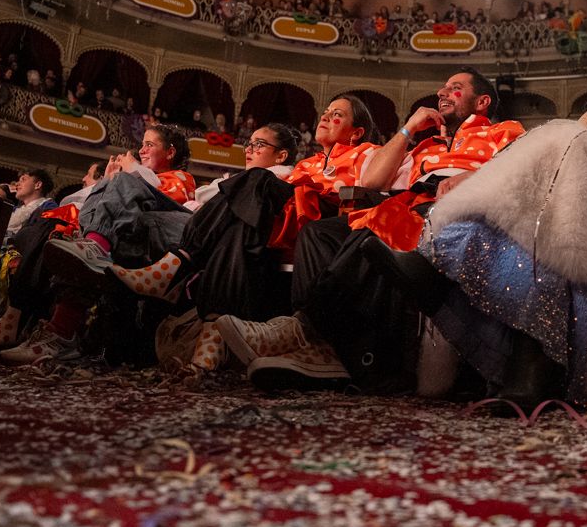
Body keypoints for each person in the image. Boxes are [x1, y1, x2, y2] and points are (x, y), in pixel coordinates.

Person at [368, 8, 587, 406]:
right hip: (579, 208)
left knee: (563, 140)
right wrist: (481, 176)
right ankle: (512, 350)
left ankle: (445, 278)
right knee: (525, 216)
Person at [219, 69, 524, 390]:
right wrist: (409, 127)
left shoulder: (502, 131)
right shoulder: (426, 145)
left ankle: (306, 332)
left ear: (482, 101)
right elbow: (372, 181)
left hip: (461, 206)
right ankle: (326, 349)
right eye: (443, 87)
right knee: (319, 233)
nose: (441, 92)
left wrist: (475, 177)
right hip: (408, 204)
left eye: (455, 87)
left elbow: (526, 166)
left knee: (381, 221)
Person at [107, 99, 380, 372]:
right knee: (235, 233)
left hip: (317, 220)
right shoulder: (309, 162)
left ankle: (176, 265)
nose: (325, 117)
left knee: (255, 181)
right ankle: (211, 341)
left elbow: (372, 185)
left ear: (356, 132)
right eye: (326, 112)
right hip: (280, 218)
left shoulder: (366, 153)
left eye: (336, 114)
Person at [0, 128, 195, 364]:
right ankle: (57, 328)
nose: (141, 150)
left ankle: (60, 329)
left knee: (119, 186)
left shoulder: (182, 178)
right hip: (128, 231)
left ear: (170, 152)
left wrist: (129, 173)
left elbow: (155, 203)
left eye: (150, 145)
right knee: (84, 234)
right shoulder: (135, 177)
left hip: (163, 230)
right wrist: (108, 182)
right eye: (142, 144)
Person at [0, 162, 103, 350]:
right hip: (31, 243)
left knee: (44, 232)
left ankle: (15, 323)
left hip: (72, 243)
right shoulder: (18, 209)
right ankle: (9, 322)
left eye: (24, 179)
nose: (83, 178)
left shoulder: (49, 205)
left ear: (38, 185)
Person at [4, 168, 56, 239]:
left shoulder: (48, 209)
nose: (17, 184)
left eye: (23, 180)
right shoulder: (13, 210)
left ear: (38, 185)